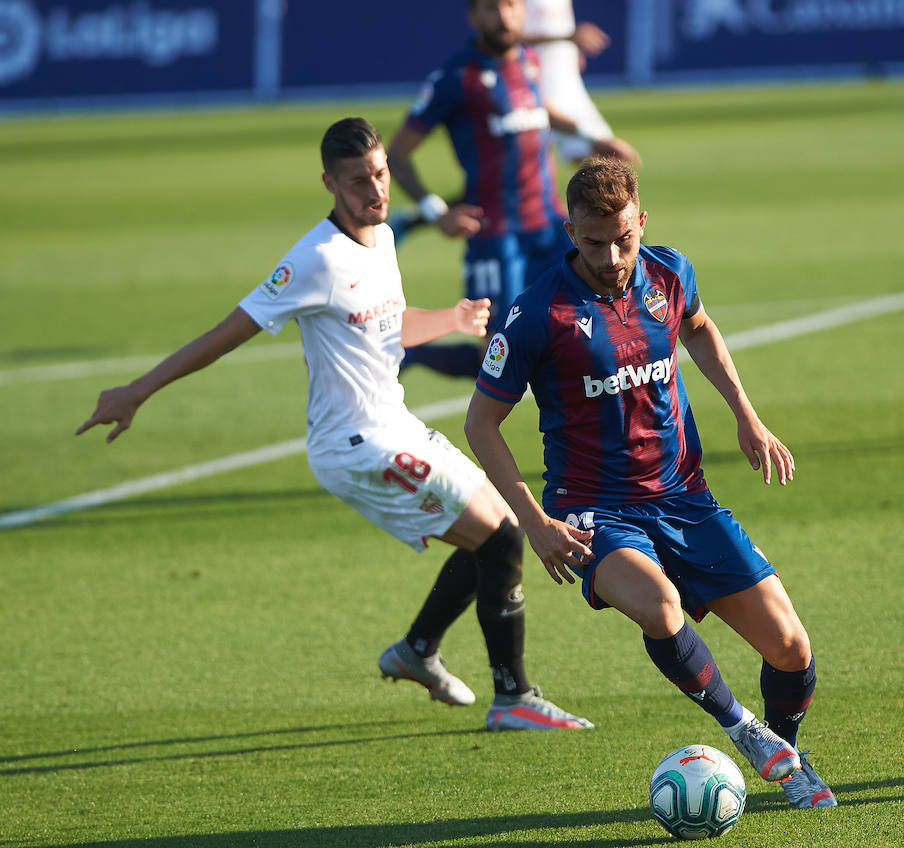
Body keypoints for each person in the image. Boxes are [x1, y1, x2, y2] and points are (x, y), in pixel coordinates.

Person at [75, 117, 592, 733]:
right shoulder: (313, 260)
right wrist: (138, 390)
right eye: (357, 181)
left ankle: (418, 652)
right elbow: (227, 332)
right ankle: (511, 698)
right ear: (329, 183)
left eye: (380, 173)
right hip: (355, 446)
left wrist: (450, 318)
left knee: (500, 532)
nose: (375, 190)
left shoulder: (383, 239)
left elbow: (388, 329)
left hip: (393, 423)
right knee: (504, 539)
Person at [464, 158, 838, 808]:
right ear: (570, 231)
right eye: (592, 241)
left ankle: (787, 756)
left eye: (622, 239)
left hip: (685, 498)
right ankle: (741, 728)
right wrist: (535, 521)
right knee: (661, 607)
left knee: (792, 649)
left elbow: (697, 326)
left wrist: (746, 415)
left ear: (641, 221)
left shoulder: (670, 273)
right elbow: (481, 423)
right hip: (591, 511)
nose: (610, 255)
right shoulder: (536, 312)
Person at [386, 0, 639, 381]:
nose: (503, 16)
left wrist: (595, 138)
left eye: (510, 5)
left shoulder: (529, 60)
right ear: (473, 17)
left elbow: (542, 109)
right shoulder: (457, 76)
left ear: (523, 11)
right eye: (490, 8)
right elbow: (397, 156)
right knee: (496, 361)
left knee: (603, 317)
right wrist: (437, 212)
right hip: (496, 236)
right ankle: (411, 352)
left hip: (550, 227)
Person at [521, 0, 615, 164]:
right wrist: (568, 38)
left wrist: (572, 51)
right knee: (536, 155)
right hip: (536, 79)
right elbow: (512, 35)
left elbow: (560, 26)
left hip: (567, 79)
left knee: (604, 154)